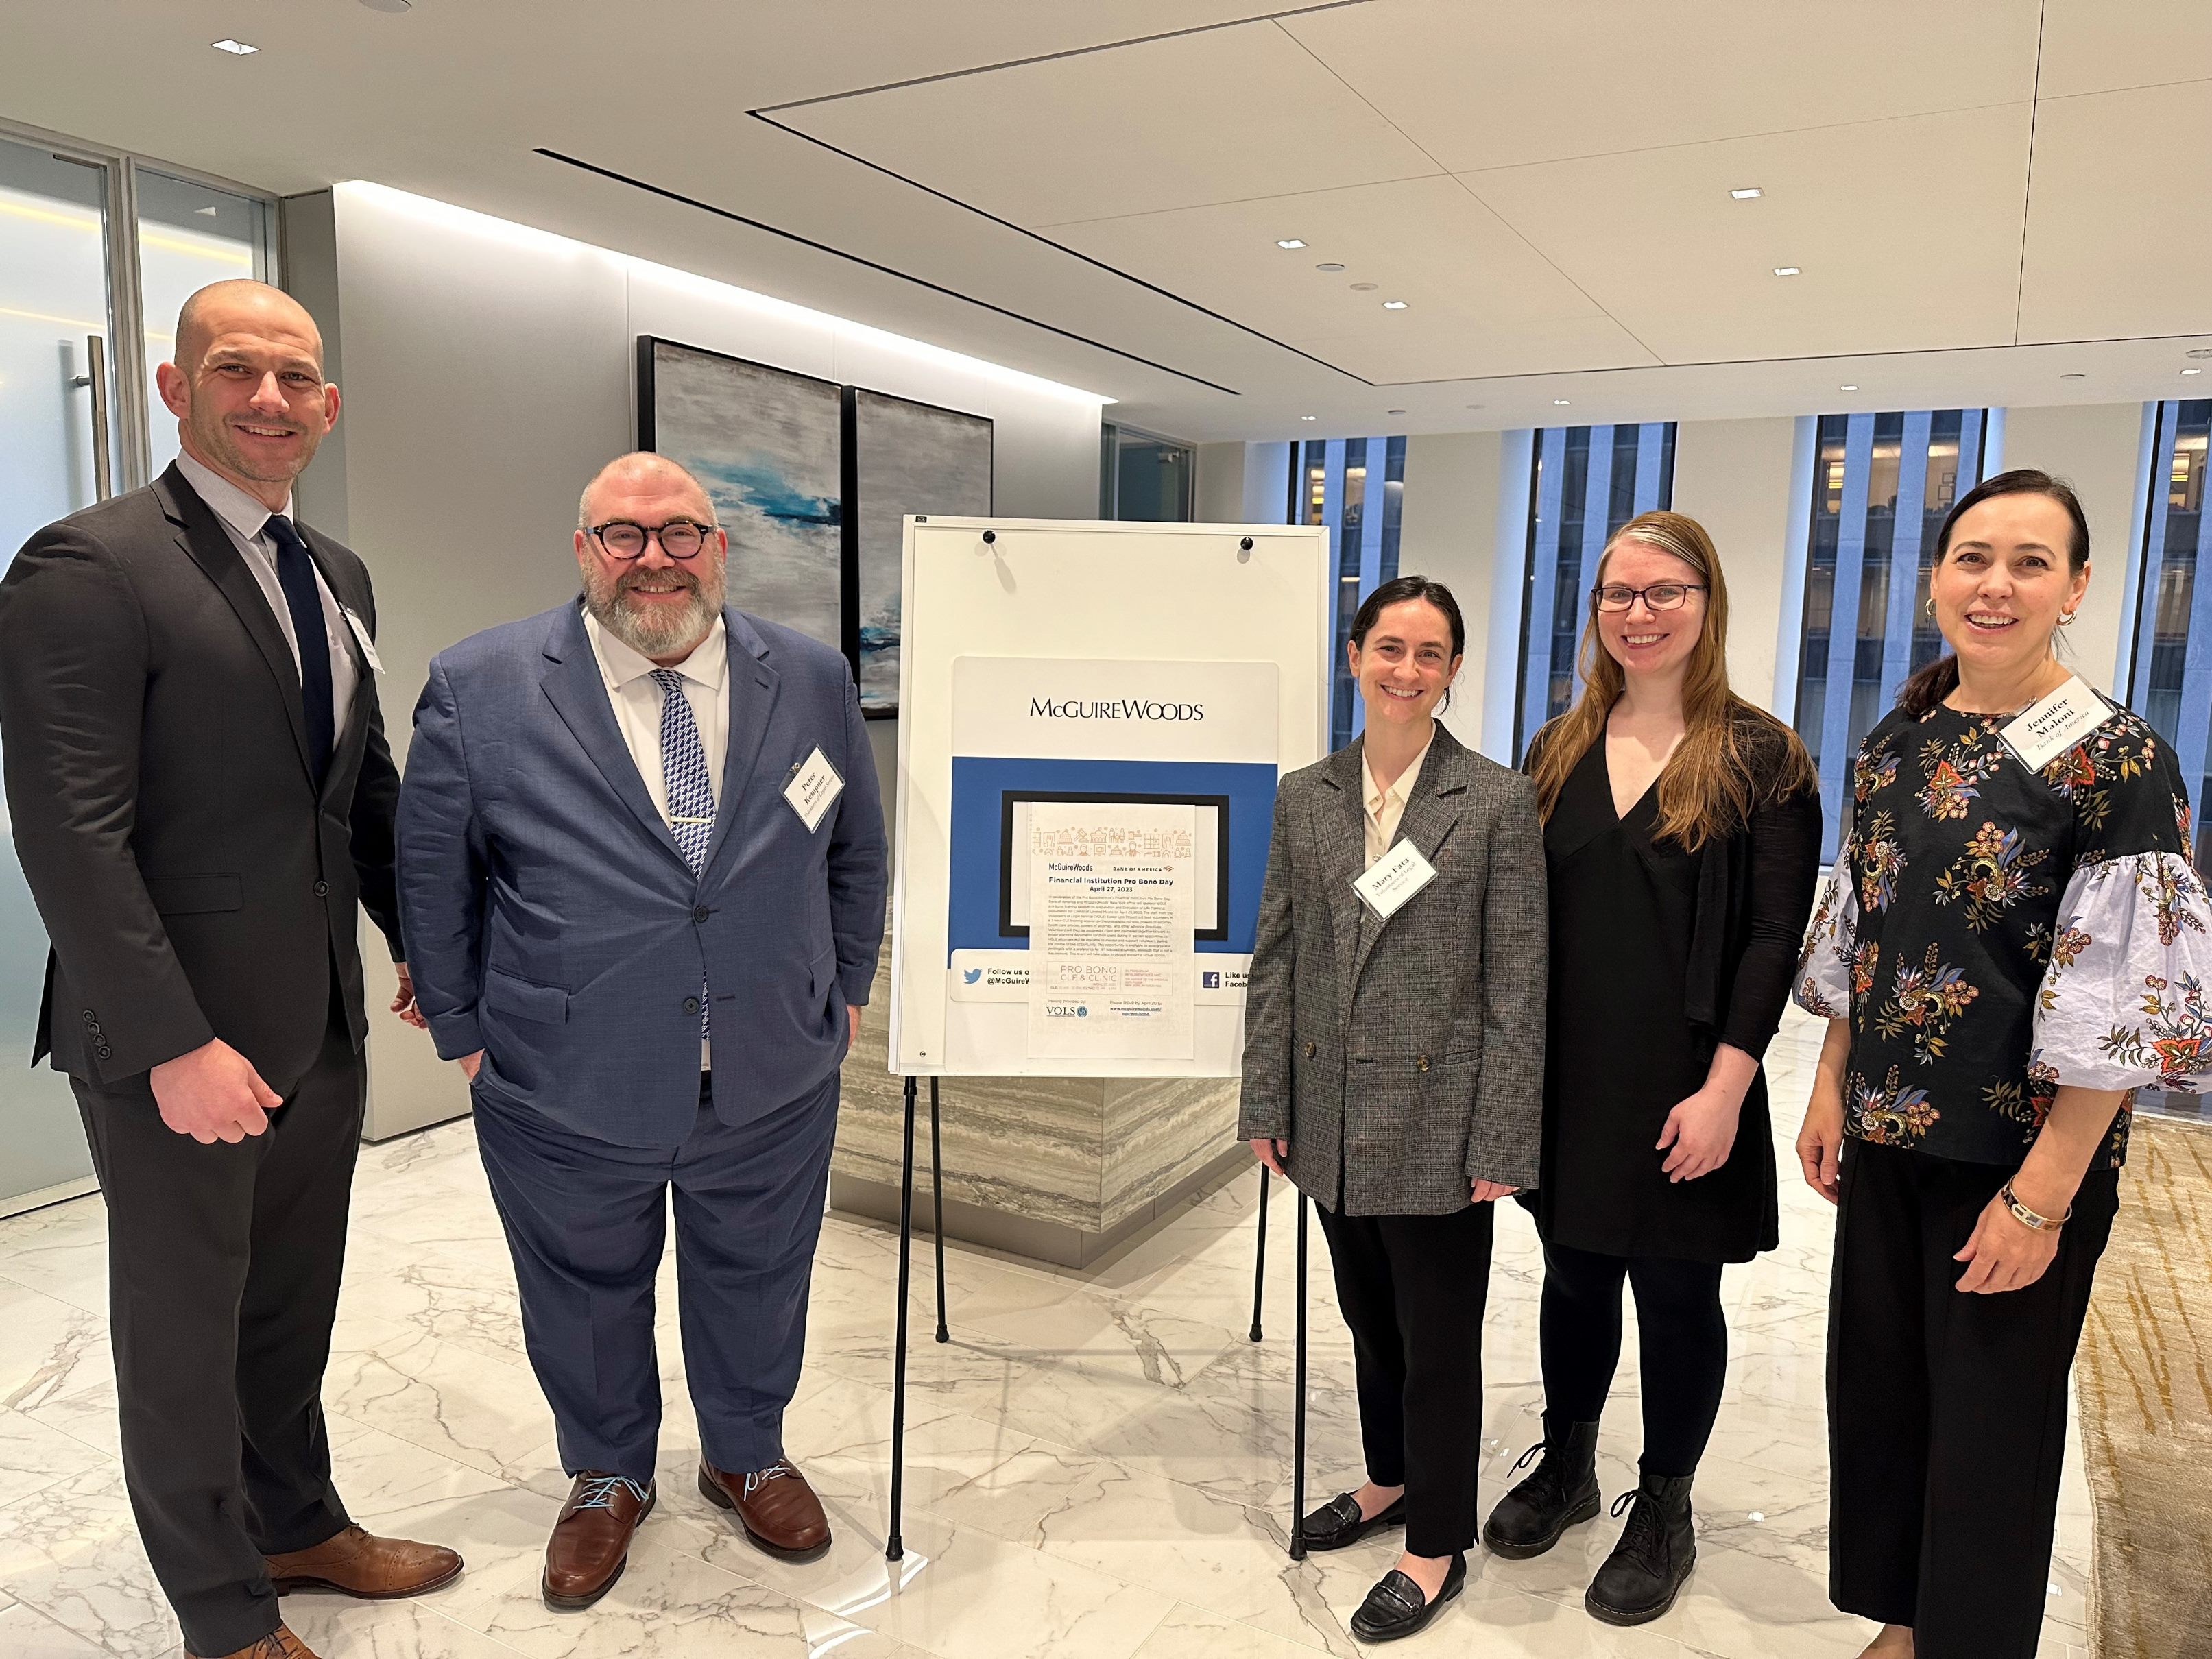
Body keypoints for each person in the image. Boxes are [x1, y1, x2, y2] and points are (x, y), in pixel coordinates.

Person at [0, 280, 461, 1659]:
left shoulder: (338, 573)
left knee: (286, 1302)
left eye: (295, 376)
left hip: (317, 1020)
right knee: (184, 1326)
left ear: (330, 404)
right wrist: (170, 1042)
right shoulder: (87, 566)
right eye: (235, 369)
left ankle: (294, 1519)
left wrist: (422, 943)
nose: (269, 398)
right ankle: (220, 1607)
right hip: (179, 1041)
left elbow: (359, 788)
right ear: (174, 387)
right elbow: (69, 832)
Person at [396, 452, 887, 1609]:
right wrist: (461, 1028)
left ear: (719, 549)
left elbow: (855, 848)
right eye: (623, 534)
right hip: (561, 1068)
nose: (653, 558)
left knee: (760, 1272)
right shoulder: (480, 683)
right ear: (584, 550)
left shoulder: (809, 677)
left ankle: (745, 1451)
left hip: (771, 1060)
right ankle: (608, 1474)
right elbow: (434, 873)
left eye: (680, 533)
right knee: (581, 1290)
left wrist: (845, 983)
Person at [1793, 469, 2211, 1659]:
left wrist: (2041, 1198)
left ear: (2074, 588)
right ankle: (1906, 1621)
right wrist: (1827, 1086)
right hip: (1886, 1135)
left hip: (2019, 1159)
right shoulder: (1898, 742)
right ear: (1935, 579)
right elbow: (1867, 934)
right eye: (1972, 558)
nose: (1995, 585)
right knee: (1883, 1399)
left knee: (1989, 1429)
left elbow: (2125, 1010)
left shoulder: (2118, 760)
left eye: (2030, 563)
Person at [1481, 511, 1821, 1625]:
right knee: (1573, 1275)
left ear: (1706, 602)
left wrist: (1726, 1089)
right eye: (1618, 594)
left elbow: (1772, 938)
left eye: (1664, 591)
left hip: (1688, 1079)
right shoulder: (1556, 746)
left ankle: (1664, 1508)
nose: (1639, 613)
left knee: (1676, 1293)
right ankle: (1567, 1466)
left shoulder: (1761, 757)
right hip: (1569, 1075)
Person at [1238, 574, 1547, 1644]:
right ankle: (1389, 1479)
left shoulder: (1495, 801)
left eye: (1428, 653)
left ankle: (1436, 1542)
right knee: (1369, 1320)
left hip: (1439, 1122)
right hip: (1327, 1112)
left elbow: (1517, 985)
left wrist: (1501, 1137)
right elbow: (1277, 956)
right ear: (1354, 656)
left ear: (1452, 670)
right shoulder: (1305, 794)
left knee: (1437, 1341)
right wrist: (1265, 1097)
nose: (1405, 670)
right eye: (1388, 648)